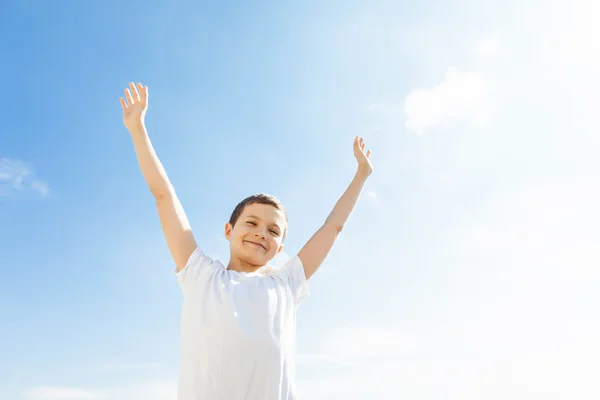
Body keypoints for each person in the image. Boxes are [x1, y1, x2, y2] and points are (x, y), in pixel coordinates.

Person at [120, 82, 373, 400]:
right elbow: (163, 196)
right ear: (228, 230)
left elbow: (332, 227)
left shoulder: (286, 284)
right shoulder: (202, 276)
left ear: (279, 249)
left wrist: (361, 175)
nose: (261, 233)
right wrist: (137, 128)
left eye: (273, 231)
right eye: (252, 223)